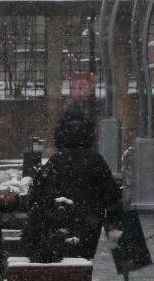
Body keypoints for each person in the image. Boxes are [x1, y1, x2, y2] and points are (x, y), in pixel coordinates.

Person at [33, 111, 122, 259]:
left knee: (63, 258)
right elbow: (111, 194)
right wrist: (114, 223)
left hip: (60, 218)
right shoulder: (96, 160)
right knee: (83, 260)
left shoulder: (55, 161)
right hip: (90, 219)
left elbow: (40, 191)